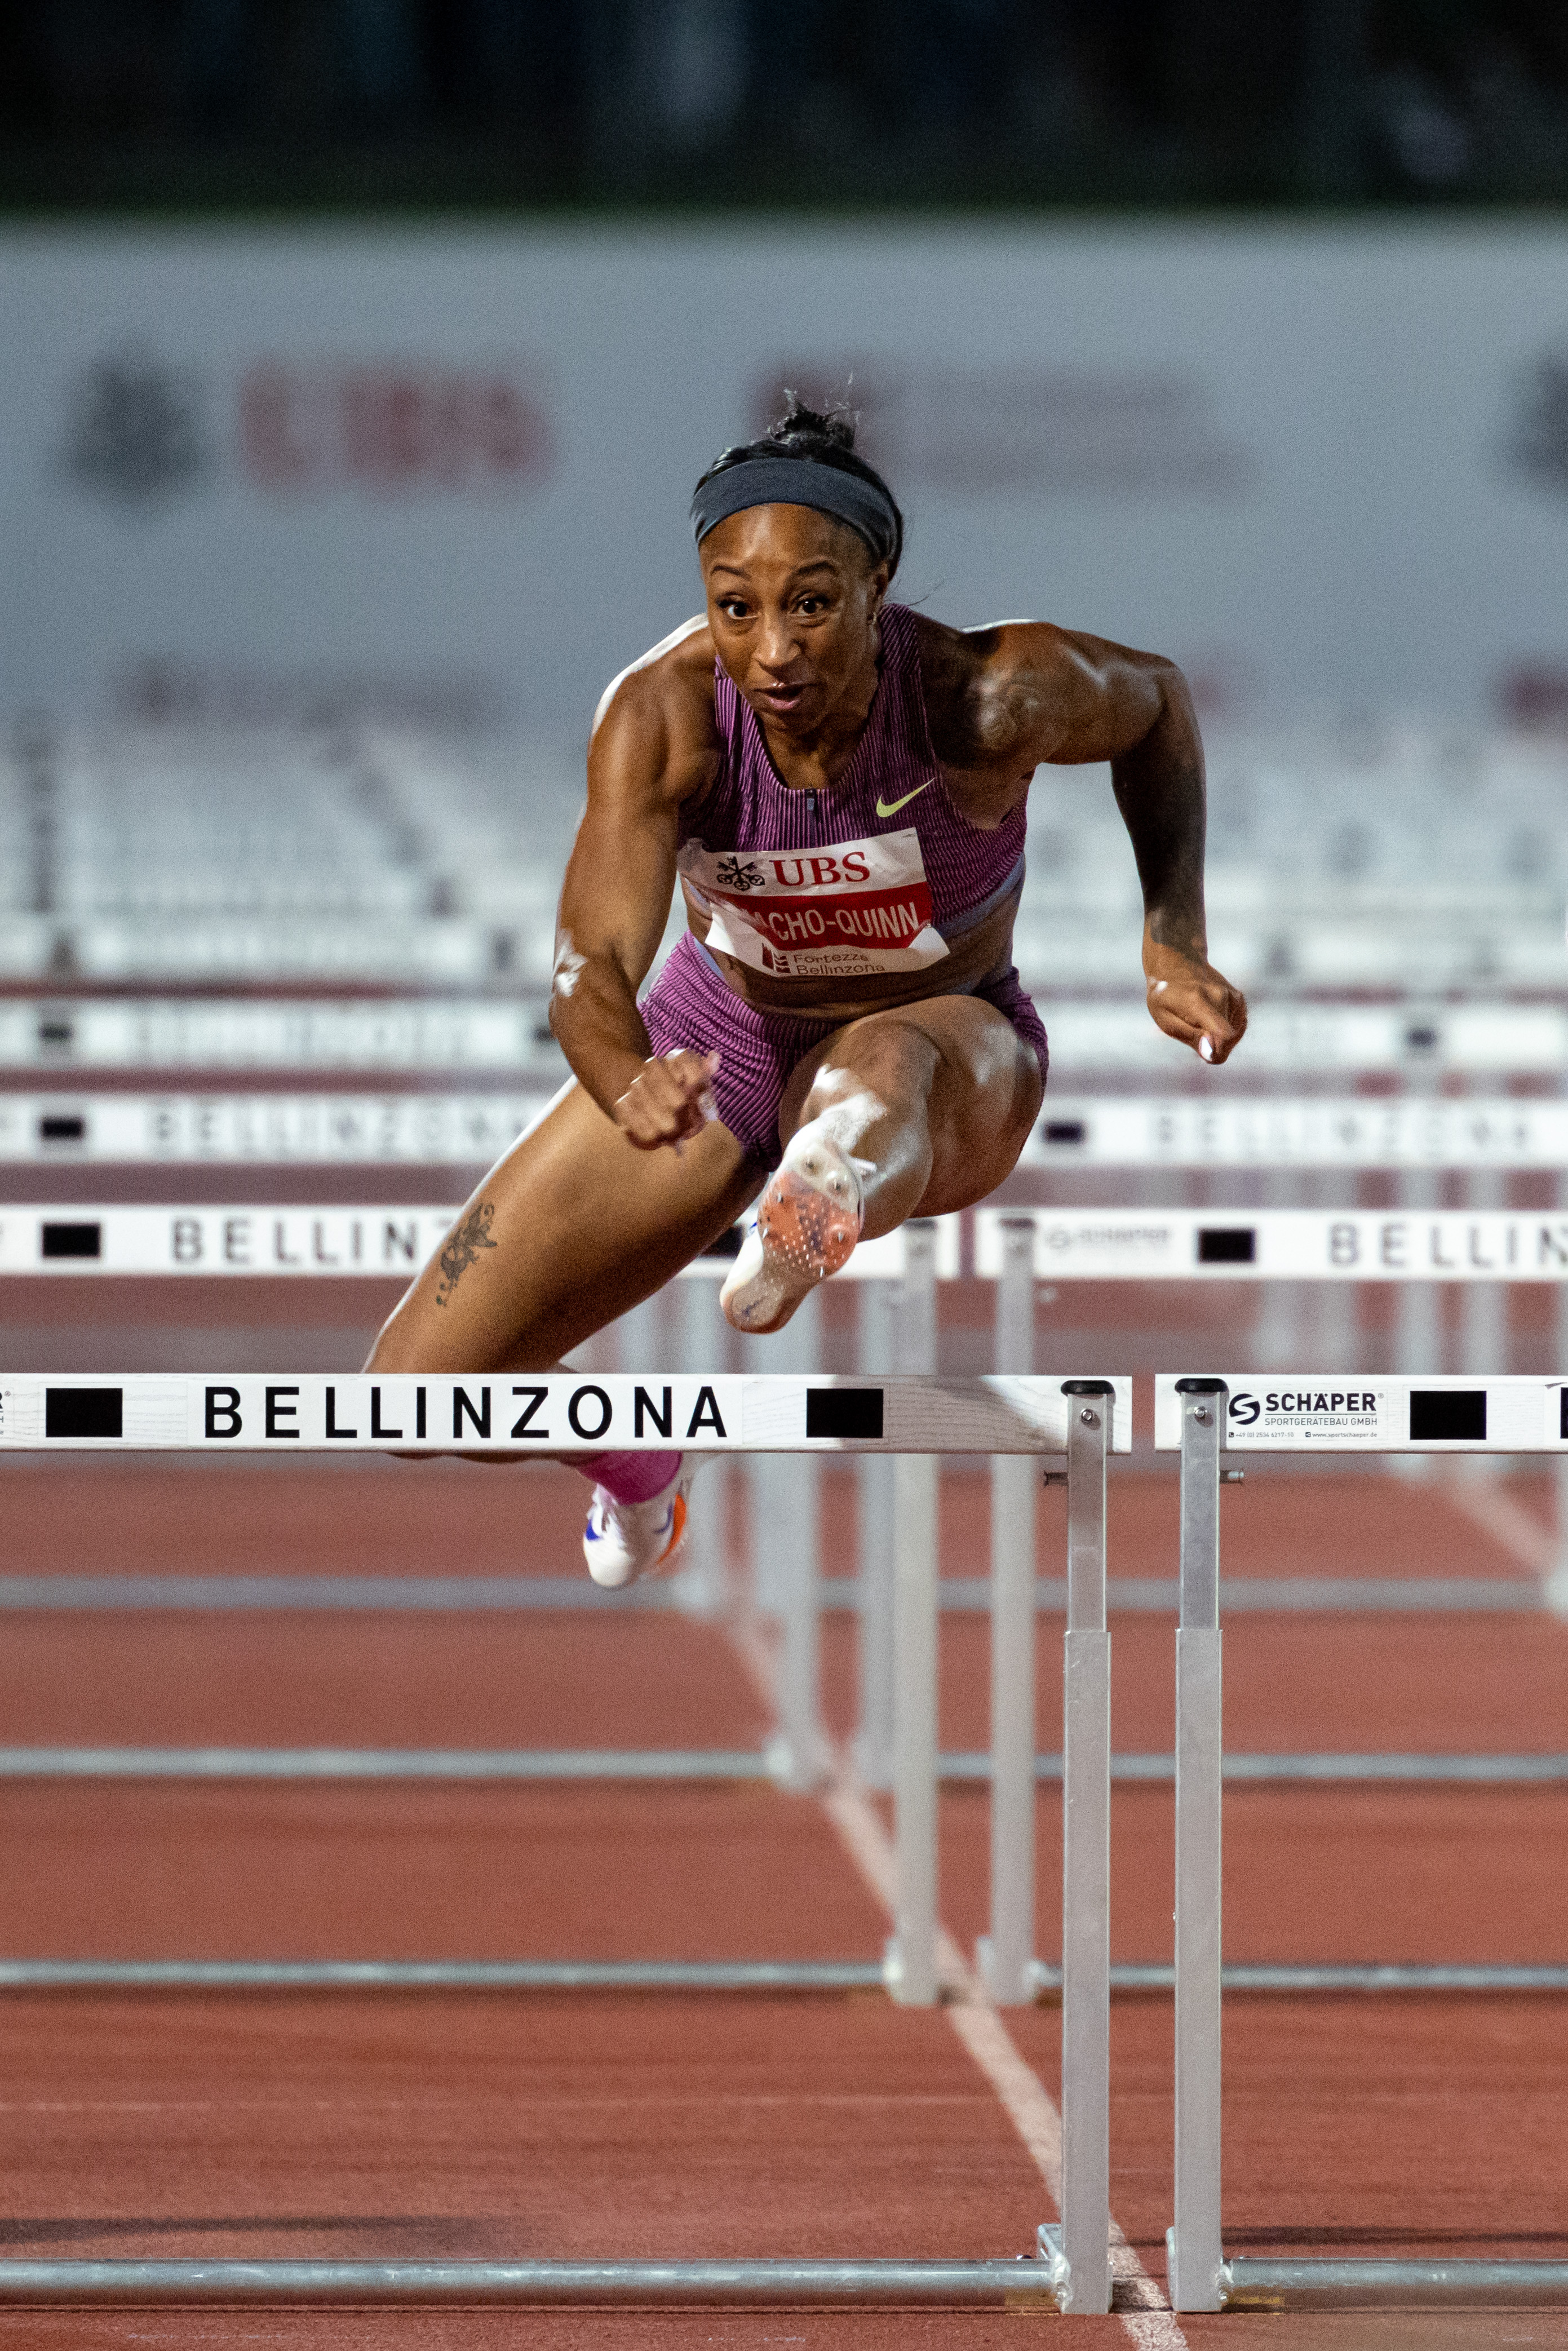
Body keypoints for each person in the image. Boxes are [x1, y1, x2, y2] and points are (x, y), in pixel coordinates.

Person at [366, 398, 1246, 1584]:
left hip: (951, 1038)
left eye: (812, 605)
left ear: (878, 585)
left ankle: (824, 1186)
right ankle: (641, 1465)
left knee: (876, 1072)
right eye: (737, 608)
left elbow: (1157, 707)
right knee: (413, 1394)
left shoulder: (986, 694)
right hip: (720, 1040)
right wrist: (625, 1077)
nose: (774, 650)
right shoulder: (663, 716)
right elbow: (588, 963)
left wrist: (1172, 939)